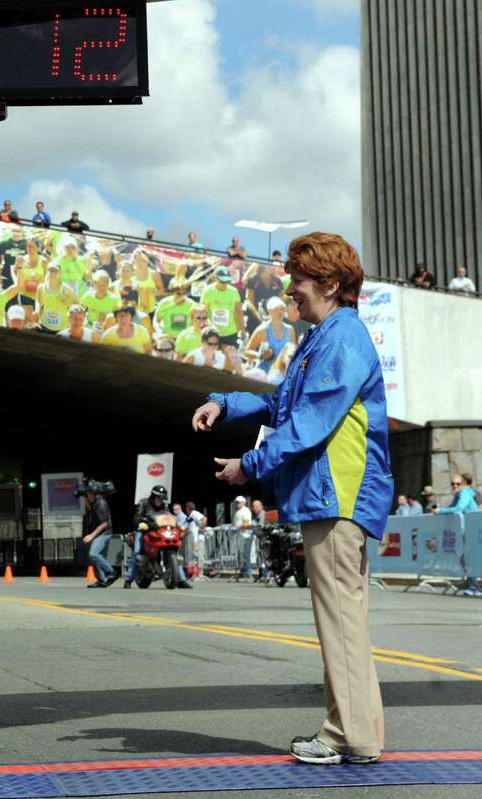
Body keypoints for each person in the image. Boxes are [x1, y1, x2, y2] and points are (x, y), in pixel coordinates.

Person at [193, 231, 391, 766]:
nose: (290, 290)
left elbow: (307, 422)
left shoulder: (340, 339)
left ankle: (342, 737)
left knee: (339, 621)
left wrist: (249, 466)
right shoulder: (325, 338)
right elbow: (280, 403)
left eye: (299, 280)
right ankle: (362, 735)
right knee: (346, 620)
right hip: (336, 498)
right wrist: (225, 403)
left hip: (336, 497)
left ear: (329, 283)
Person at [81, 489, 115, 587]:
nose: (85, 500)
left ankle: (111, 572)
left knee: (93, 554)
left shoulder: (100, 504)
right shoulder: (90, 504)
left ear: (92, 495)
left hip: (105, 532)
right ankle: (101, 580)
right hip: (97, 532)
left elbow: (105, 523)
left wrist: (91, 536)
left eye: (86, 497)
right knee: (94, 557)